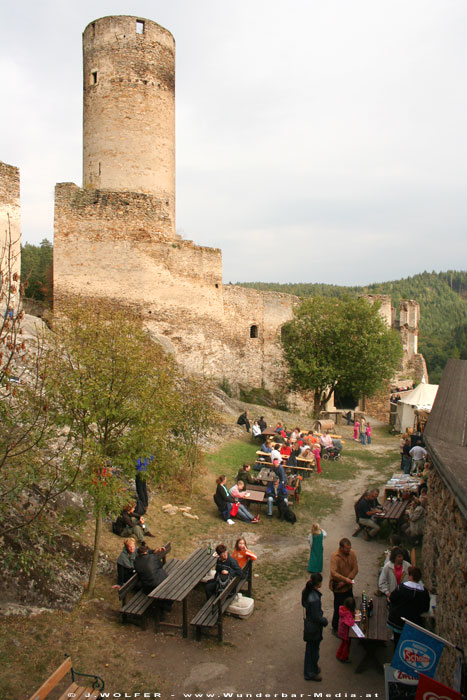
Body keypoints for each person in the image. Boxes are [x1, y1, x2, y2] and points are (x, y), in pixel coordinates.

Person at [387, 566, 430, 648]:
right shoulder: (424, 592)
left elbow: (392, 598)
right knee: (410, 644)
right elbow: (425, 608)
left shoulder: (401, 587)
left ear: (410, 576)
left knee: (398, 642)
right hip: (414, 622)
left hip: (398, 621)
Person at [302, 572, 328, 681]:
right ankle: (310, 672)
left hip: (308, 624)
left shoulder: (306, 591)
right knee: (313, 650)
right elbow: (316, 616)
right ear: (318, 584)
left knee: (310, 648)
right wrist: (324, 621)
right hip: (314, 627)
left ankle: (313, 668)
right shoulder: (315, 598)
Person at [329, 538, 358, 633]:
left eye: (349, 549)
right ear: (341, 548)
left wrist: (346, 581)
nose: (349, 551)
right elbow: (333, 572)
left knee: (351, 605)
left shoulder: (352, 554)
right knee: (338, 607)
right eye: (347, 549)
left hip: (348, 586)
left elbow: (355, 569)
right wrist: (345, 579)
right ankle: (335, 627)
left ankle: (349, 624)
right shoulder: (335, 557)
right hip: (338, 589)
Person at [336, 596, 356, 663]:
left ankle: (339, 654)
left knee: (343, 643)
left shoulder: (342, 609)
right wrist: (353, 618)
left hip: (341, 630)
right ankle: (343, 657)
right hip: (345, 633)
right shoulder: (348, 614)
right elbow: (350, 623)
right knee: (347, 645)